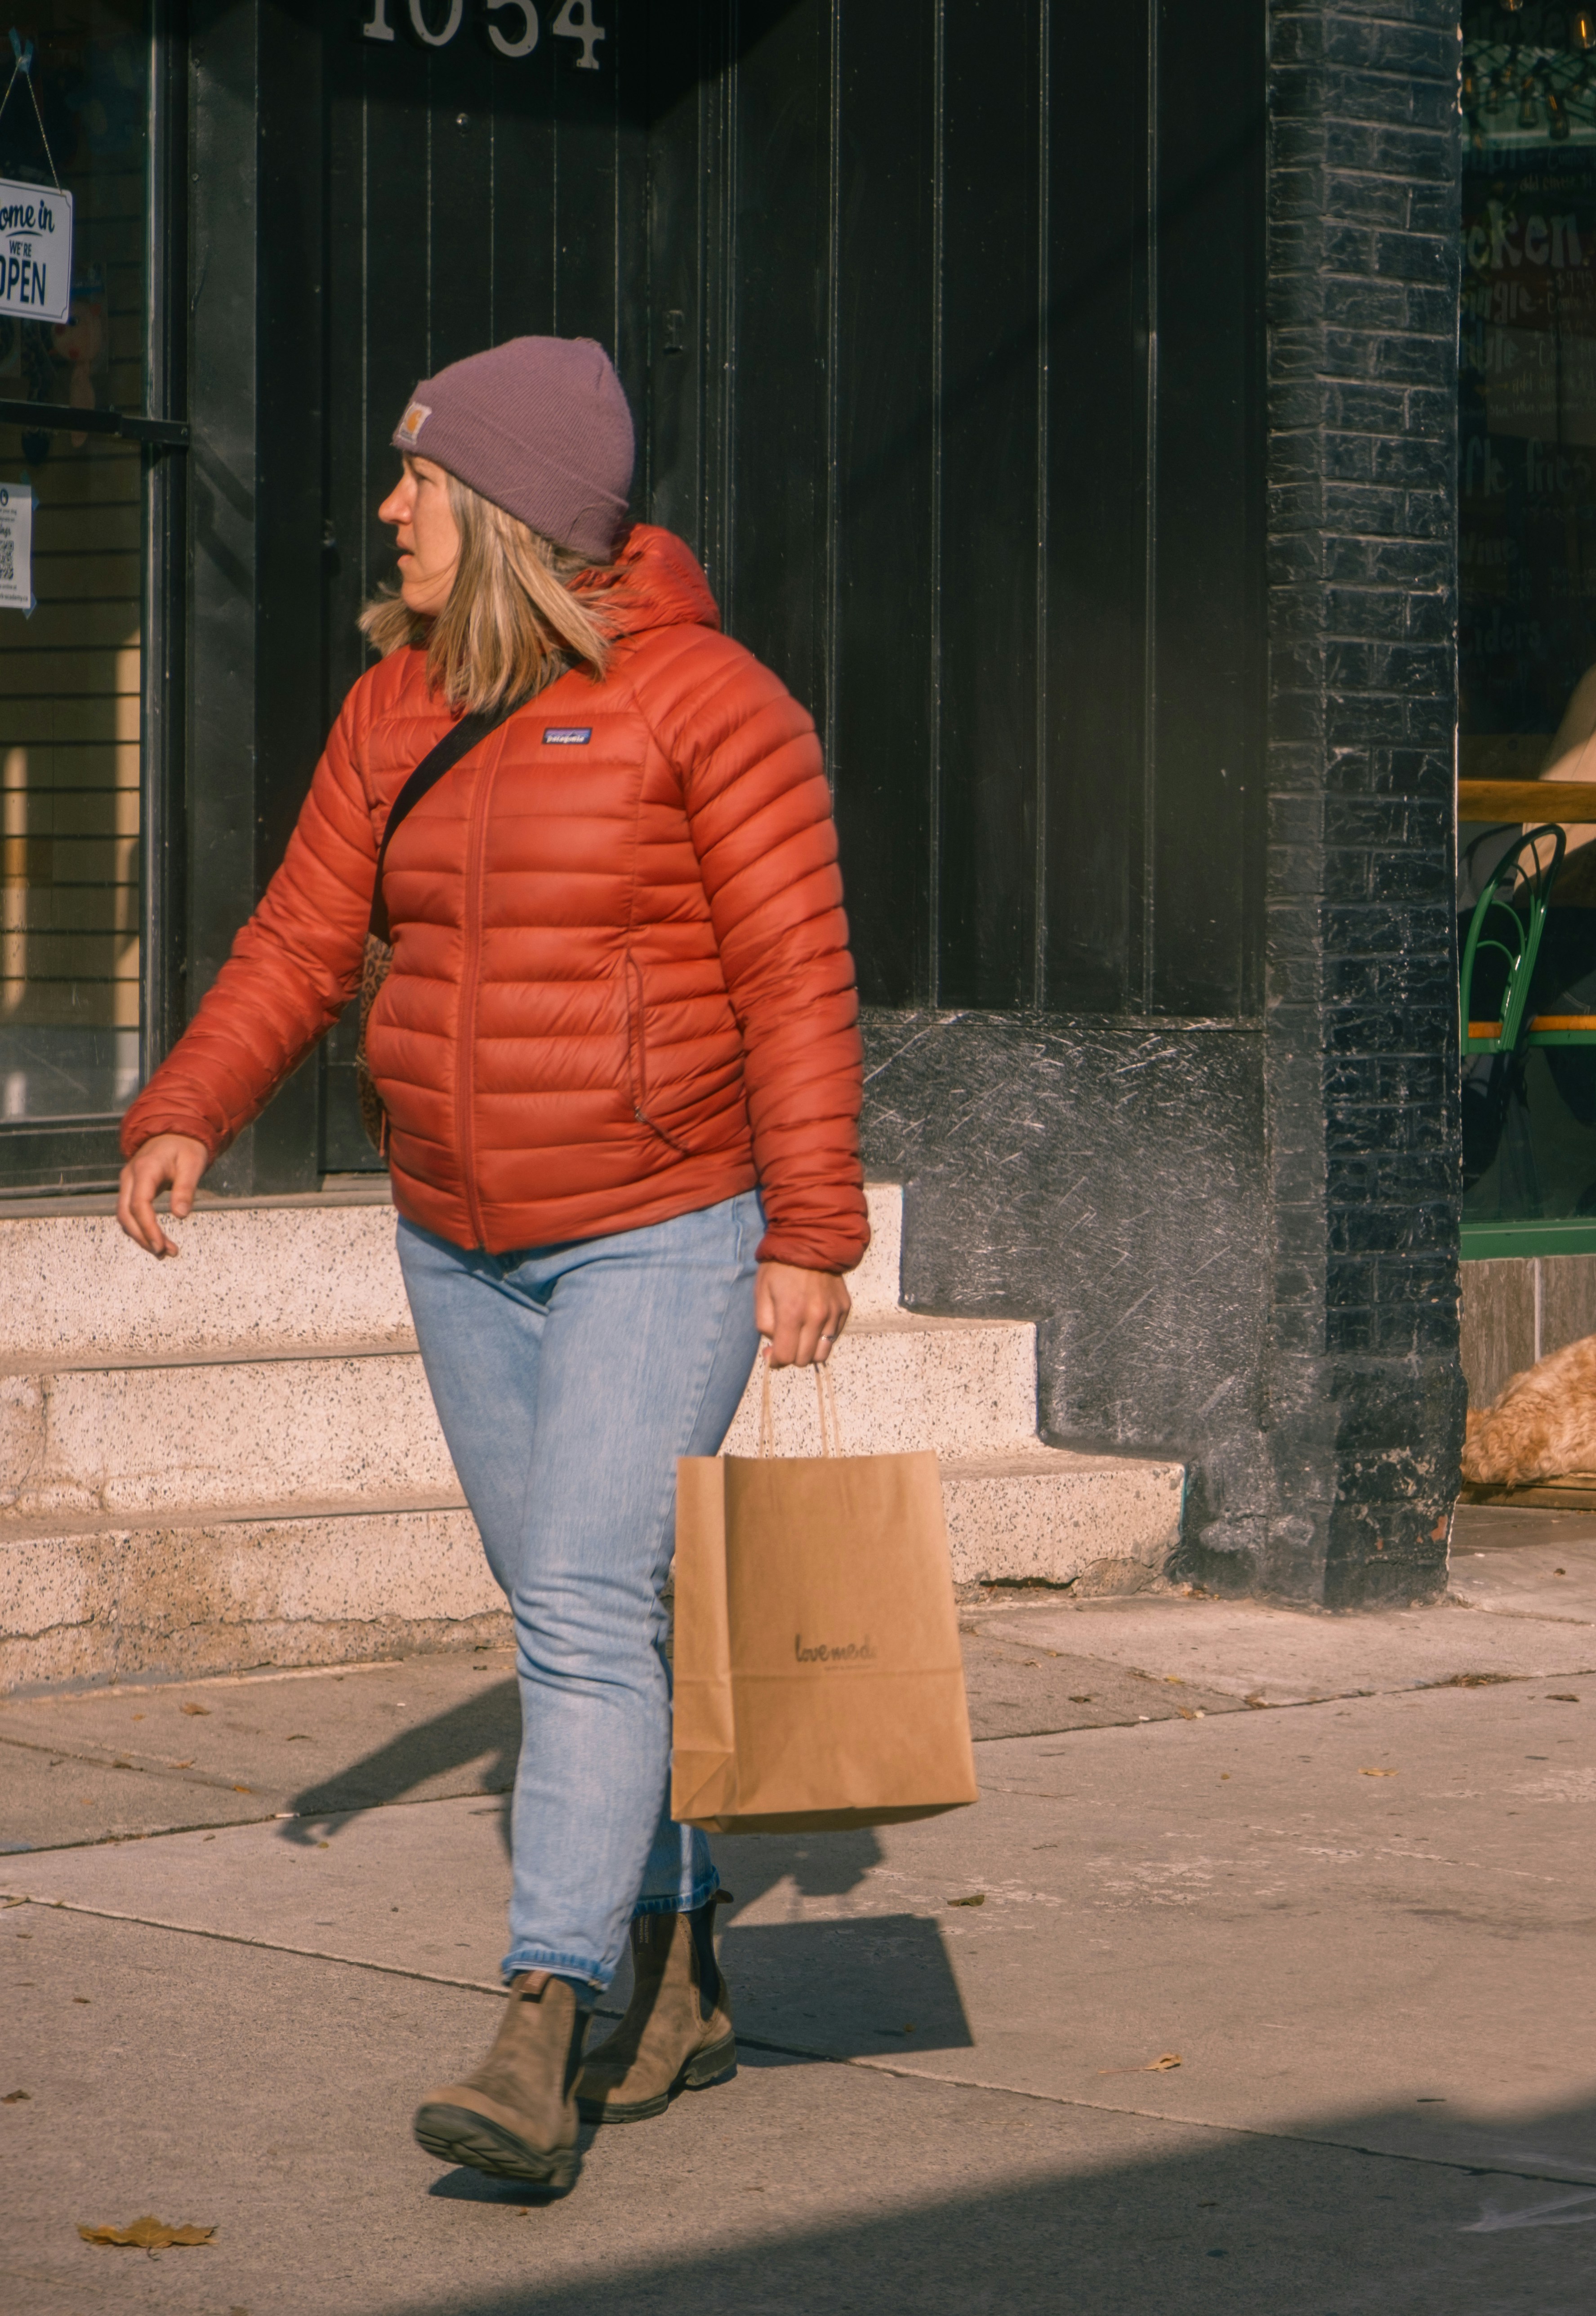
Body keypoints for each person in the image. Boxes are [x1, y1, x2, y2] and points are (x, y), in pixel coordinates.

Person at [108, 336, 865, 2193]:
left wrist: (813, 1231)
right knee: (575, 1612)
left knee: (591, 1615)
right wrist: (188, 1101)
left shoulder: (717, 707)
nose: (390, 508)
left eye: (419, 481)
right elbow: (303, 934)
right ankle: (681, 1965)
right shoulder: (398, 701)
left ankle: (545, 2015)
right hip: (455, 1234)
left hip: (660, 1230)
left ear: (511, 508)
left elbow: (796, 982)